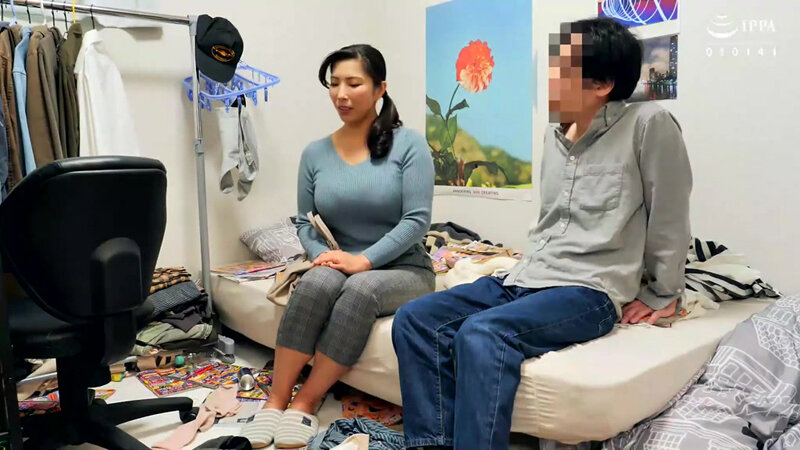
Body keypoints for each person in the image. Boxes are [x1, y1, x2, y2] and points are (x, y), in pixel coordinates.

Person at [392, 18, 693, 450]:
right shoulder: (554, 136)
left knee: (482, 333)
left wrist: (663, 292)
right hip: (526, 277)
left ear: (602, 84)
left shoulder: (649, 123)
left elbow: (670, 213)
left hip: (588, 289)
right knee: (415, 319)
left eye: (561, 69)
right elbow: (550, 222)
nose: (548, 79)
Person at [253, 44, 435, 449]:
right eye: (334, 84)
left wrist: (364, 260)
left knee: (360, 290)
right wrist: (321, 256)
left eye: (354, 83)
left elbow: (416, 221)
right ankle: (276, 400)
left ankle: (306, 400)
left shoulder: (410, 145)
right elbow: (305, 221)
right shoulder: (315, 153)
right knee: (315, 284)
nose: (341, 94)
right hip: (337, 259)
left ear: (380, 88)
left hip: (404, 268)